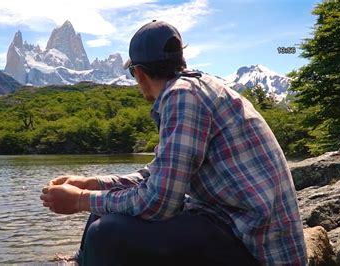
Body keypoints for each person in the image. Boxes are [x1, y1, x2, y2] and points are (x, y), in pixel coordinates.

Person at [40, 20, 307, 266]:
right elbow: (157, 174)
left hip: (260, 250)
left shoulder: (182, 97)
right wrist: (94, 184)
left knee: (105, 232)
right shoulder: (197, 87)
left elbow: (159, 202)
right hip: (237, 226)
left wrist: (80, 201)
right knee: (102, 211)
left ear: (139, 73)